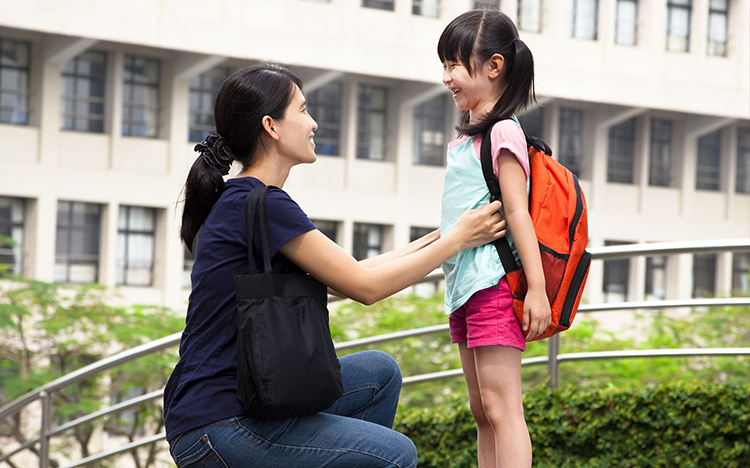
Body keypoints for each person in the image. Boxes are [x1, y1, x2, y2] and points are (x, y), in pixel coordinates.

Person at [163, 64, 508, 468]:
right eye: (303, 110)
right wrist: (457, 240)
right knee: (397, 454)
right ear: (271, 126)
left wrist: (439, 238)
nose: (313, 123)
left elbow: (347, 277)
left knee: (378, 374)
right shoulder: (262, 204)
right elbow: (365, 287)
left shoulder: (250, 201)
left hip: (228, 408)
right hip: (220, 423)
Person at [437, 9, 552, 468]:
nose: (447, 77)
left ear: (494, 66)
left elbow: (518, 212)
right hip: (465, 287)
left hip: (494, 286)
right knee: (482, 410)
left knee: (504, 410)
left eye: (455, 65)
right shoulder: (467, 137)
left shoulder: (503, 129)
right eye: (443, 65)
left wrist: (538, 291)